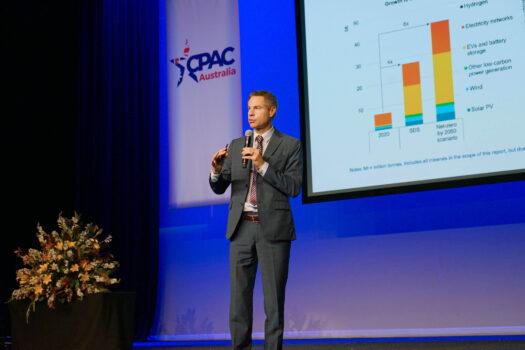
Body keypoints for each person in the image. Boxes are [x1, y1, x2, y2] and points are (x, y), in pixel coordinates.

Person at [209, 90, 302, 350]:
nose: (250, 112)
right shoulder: (237, 144)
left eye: (257, 108)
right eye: (249, 107)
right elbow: (220, 186)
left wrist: (262, 165)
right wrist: (216, 171)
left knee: (273, 302)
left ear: (271, 111)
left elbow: (293, 186)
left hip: (273, 229)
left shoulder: (290, 145)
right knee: (238, 299)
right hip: (241, 229)